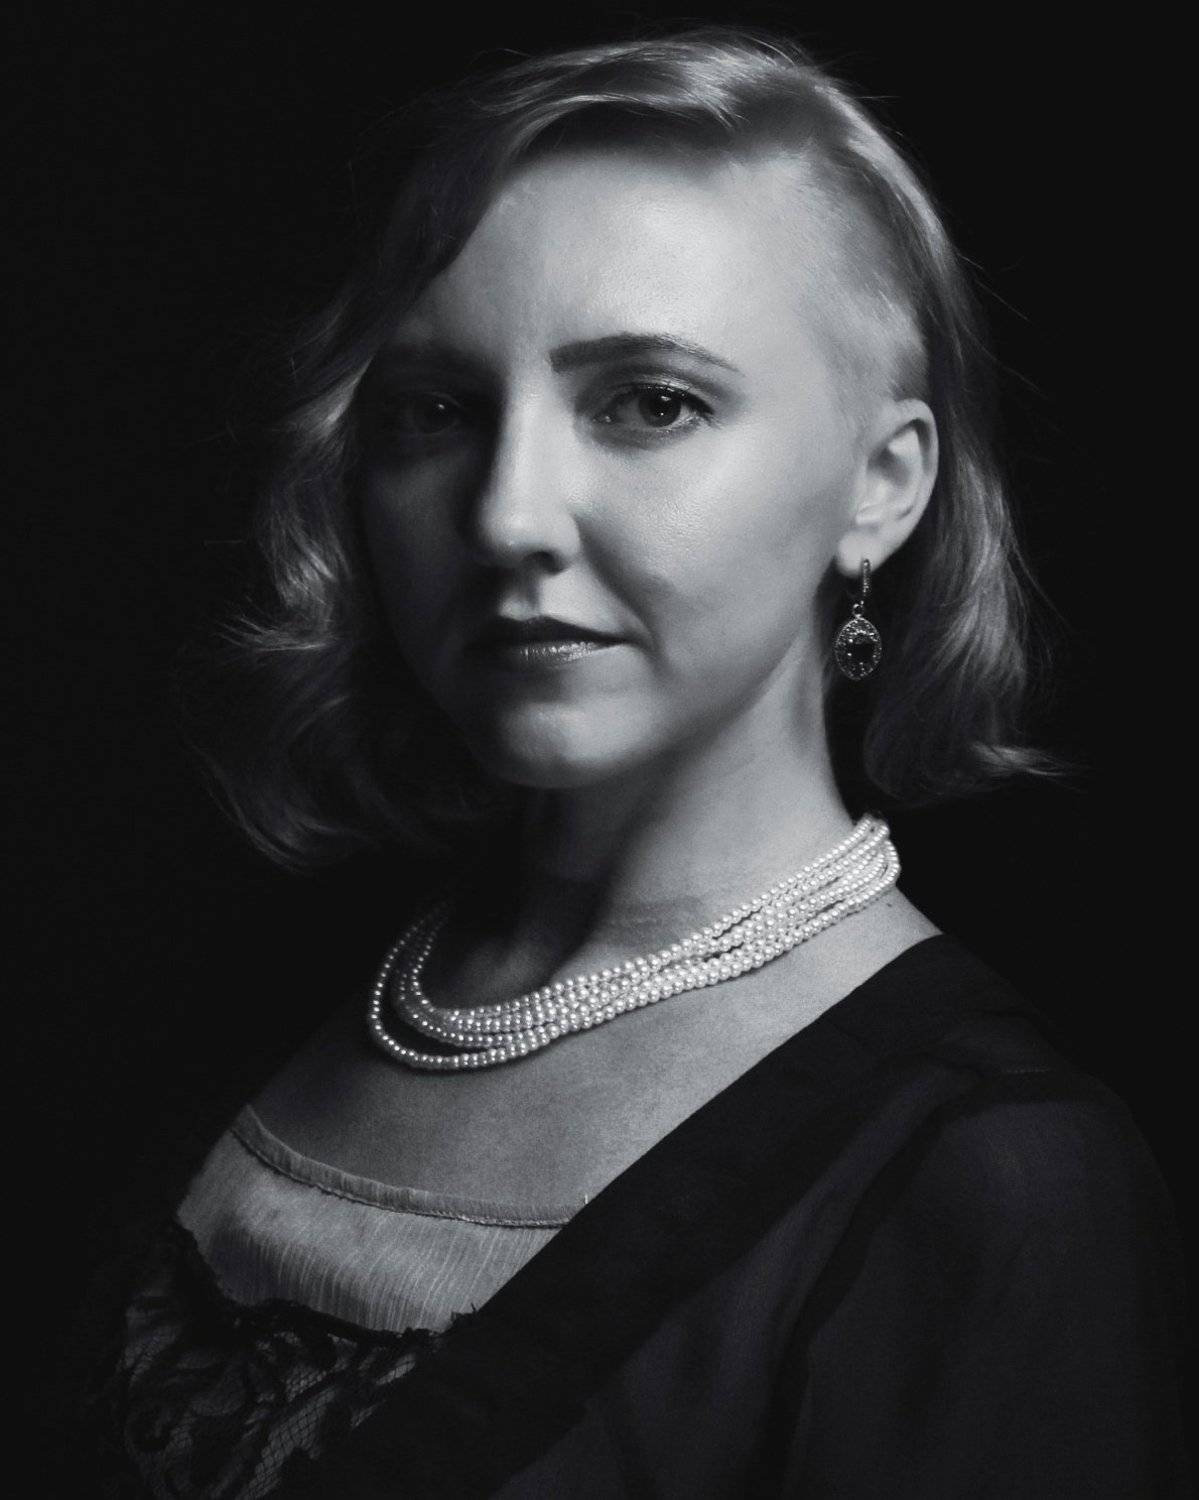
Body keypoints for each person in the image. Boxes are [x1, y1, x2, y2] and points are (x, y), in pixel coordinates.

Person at [94, 26, 1189, 1498]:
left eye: (650, 403)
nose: (508, 515)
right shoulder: (242, 978)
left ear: (882, 485)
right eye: (436, 411)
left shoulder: (993, 1182)